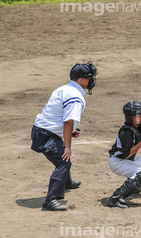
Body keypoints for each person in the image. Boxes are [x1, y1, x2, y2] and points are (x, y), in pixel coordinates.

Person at [31, 62, 98, 211]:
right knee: (64, 160)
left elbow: (55, 113)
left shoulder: (63, 89)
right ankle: (50, 200)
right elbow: (68, 121)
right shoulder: (75, 97)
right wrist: (68, 147)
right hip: (45, 136)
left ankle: (66, 182)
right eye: (89, 78)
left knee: (62, 156)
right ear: (81, 80)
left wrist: (69, 131)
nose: (91, 81)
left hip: (41, 130)